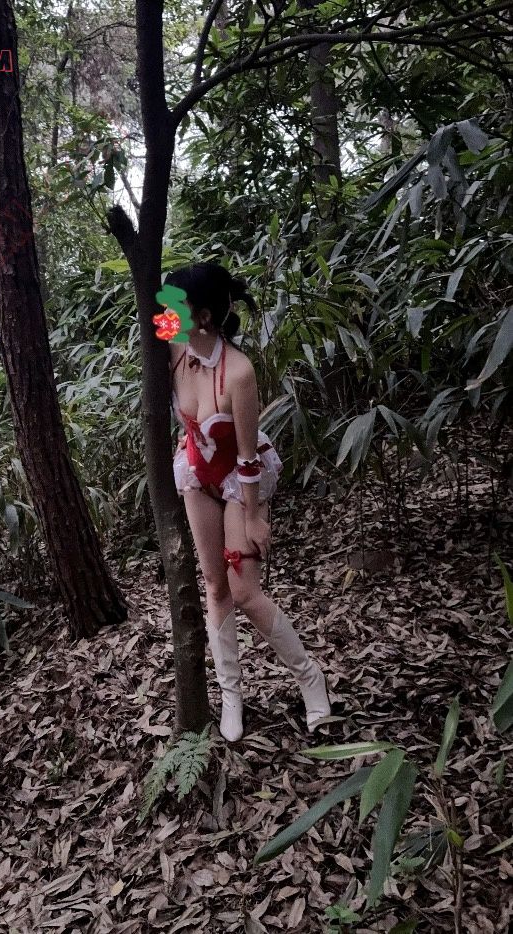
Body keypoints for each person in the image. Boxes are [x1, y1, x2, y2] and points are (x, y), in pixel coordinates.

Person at [165, 262, 331, 742]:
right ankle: (231, 696)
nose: (167, 312)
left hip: (240, 480)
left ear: (204, 316)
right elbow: (149, 310)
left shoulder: (239, 372)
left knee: (245, 592)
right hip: (196, 474)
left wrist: (255, 516)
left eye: (177, 306)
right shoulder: (173, 348)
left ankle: (310, 678)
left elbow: (246, 457)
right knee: (215, 586)